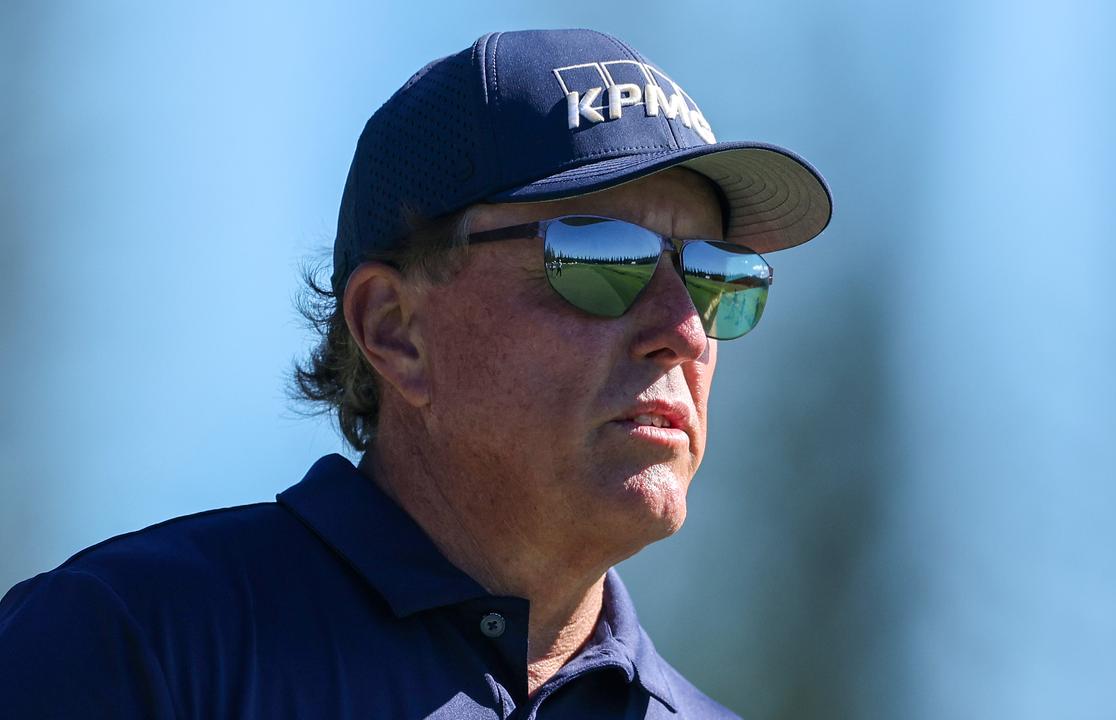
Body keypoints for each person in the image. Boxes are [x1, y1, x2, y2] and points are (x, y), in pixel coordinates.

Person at [0, 28, 831, 719]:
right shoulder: (137, 645)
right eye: (599, 255)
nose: (682, 329)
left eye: (719, 276)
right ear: (394, 332)